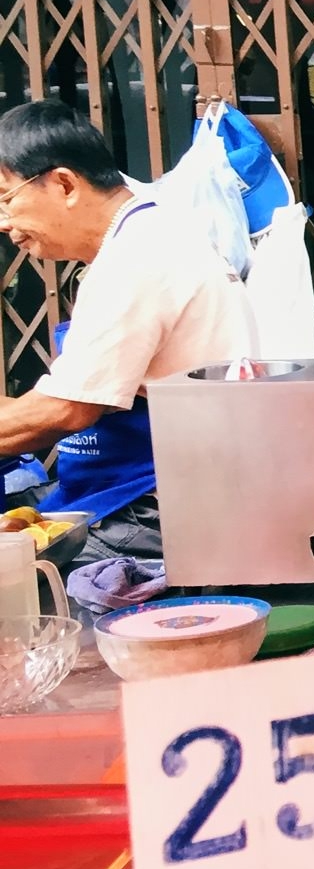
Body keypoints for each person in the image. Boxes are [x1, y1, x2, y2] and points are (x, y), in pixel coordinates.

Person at [0, 100, 253, 561]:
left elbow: (65, 410)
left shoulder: (139, 256)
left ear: (63, 184)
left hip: (153, 513)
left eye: (7, 199)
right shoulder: (146, 234)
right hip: (148, 493)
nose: (5, 224)